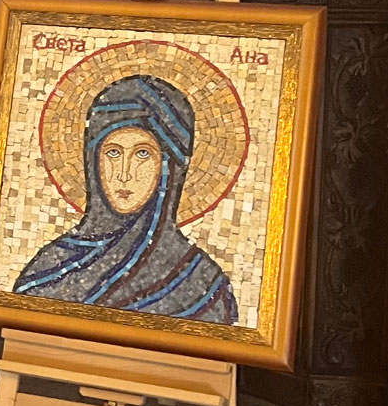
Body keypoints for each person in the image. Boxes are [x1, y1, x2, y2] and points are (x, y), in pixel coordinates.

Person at [14, 75, 237, 323]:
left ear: (170, 167)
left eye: (143, 153)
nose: (124, 174)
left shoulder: (201, 283)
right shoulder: (46, 270)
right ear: (93, 161)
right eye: (113, 152)